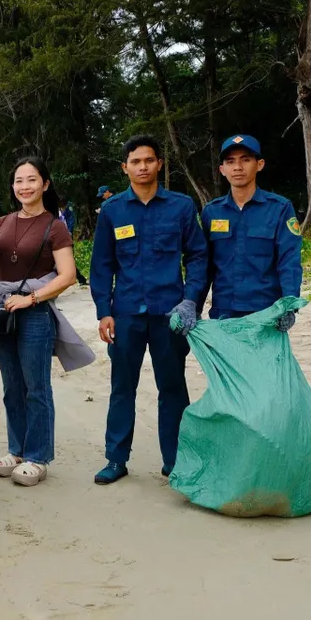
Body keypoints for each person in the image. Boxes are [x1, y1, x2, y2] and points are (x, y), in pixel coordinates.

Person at [89, 135, 208, 485]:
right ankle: (116, 459)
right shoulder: (112, 211)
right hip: (125, 314)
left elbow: (198, 255)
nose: (142, 167)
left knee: (172, 387)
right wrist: (103, 310)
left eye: (149, 161)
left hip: (169, 314)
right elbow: (102, 265)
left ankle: (175, 459)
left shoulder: (181, 207)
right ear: (125, 167)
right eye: (135, 162)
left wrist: (191, 301)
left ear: (159, 164)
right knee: (122, 387)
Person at [0, 157, 85, 488]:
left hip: (36, 314)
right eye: (19, 181)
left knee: (36, 387)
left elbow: (67, 275)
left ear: (45, 184)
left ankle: (38, 456)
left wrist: (31, 298)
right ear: (13, 187)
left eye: (32, 180)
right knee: (11, 386)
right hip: (1, 312)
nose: (25, 186)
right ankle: (18, 450)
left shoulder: (55, 226)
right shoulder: (1, 223)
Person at [199, 135, 303, 328]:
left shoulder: (279, 208)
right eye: (230, 162)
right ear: (222, 169)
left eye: (245, 160)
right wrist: (194, 305)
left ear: (260, 164)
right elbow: (204, 265)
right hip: (224, 312)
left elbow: (289, 260)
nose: (238, 167)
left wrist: (289, 304)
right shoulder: (212, 212)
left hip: (267, 311)